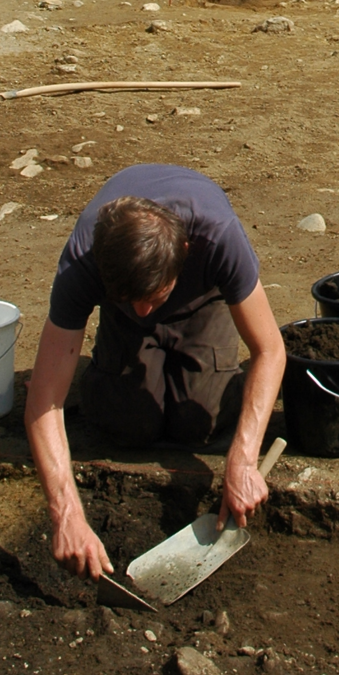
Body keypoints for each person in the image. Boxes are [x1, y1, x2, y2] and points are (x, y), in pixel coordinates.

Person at [24, 166, 286, 578]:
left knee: (200, 420)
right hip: (122, 318)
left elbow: (270, 349)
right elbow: (43, 401)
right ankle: (111, 361)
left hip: (201, 302)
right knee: (129, 424)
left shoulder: (217, 236)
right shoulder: (84, 259)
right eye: (135, 299)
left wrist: (243, 460)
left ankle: (179, 347)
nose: (146, 310)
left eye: (154, 297)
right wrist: (66, 514)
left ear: (185, 250)